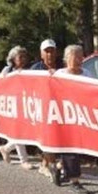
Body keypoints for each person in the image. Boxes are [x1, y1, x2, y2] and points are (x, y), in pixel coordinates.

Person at [51, 45, 94, 194]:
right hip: (65, 118)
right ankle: (74, 181)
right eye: (75, 56)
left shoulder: (87, 74)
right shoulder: (60, 74)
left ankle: (58, 166)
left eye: (81, 56)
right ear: (66, 58)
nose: (78, 60)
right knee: (71, 149)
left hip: (82, 118)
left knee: (79, 149)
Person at [31, 39, 63, 178]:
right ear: (41, 54)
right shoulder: (35, 69)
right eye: (47, 51)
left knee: (59, 138)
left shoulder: (63, 67)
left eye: (52, 51)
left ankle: (45, 165)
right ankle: (51, 166)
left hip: (59, 109)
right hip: (42, 110)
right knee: (48, 138)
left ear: (56, 52)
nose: (49, 54)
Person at [0, 46, 32, 168]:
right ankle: (24, 160)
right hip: (12, 105)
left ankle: (6, 148)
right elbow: (1, 85)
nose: (23, 59)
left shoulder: (29, 70)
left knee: (25, 132)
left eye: (24, 56)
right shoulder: (7, 71)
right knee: (19, 132)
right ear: (13, 58)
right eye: (20, 57)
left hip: (26, 104)